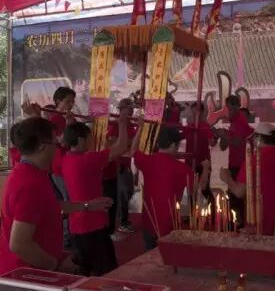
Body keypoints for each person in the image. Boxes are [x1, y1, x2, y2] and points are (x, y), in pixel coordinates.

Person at [0, 117, 113, 277]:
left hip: (30, 270)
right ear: (42, 147)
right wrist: (55, 265)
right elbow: (19, 244)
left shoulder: (32, 173)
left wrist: (87, 206)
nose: (58, 149)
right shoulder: (30, 184)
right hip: (24, 275)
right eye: (55, 143)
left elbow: (50, 206)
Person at [61, 110, 135, 276]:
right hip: (92, 224)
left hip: (77, 225)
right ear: (81, 140)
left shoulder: (66, 159)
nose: (91, 141)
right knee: (106, 272)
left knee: (84, 270)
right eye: (89, 138)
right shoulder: (88, 160)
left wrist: (69, 125)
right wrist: (122, 123)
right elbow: (121, 147)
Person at [133, 127, 209, 250]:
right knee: (167, 257)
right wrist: (206, 168)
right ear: (174, 145)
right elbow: (200, 187)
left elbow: (133, 150)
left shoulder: (148, 161)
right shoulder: (181, 168)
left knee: (149, 255)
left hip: (149, 220)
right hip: (169, 224)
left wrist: (140, 129)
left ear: (158, 143)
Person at [220, 123, 275, 235]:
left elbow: (239, 192)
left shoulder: (252, 161)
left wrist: (227, 178)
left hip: (257, 227)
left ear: (259, 138)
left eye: (254, 138)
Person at [215, 95, 254, 227]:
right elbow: (223, 146)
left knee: (237, 196)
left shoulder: (240, 121)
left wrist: (224, 135)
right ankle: (236, 223)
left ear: (237, 107)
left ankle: (239, 224)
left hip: (242, 164)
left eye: (231, 108)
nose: (229, 111)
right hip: (234, 163)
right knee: (233, 196)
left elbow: (237, 142)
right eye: (228, 108)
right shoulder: (233, 123)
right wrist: (222, 135)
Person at [103, 98, 138, 239]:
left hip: (126, 164)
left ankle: (121, 220)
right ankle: (121, 222)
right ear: (121, 109)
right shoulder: (116, 124)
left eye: (132, 107)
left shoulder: (130, 124)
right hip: (118, 165)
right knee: (121, 194)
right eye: (129, 107)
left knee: (128, 192)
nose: (132, 110)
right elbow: (112, 142)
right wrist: (129, 142)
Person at [182, 102, 216, 213]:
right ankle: (191, 215)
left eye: (195, 111)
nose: (193, 113)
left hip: (203, 164)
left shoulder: (205, 126)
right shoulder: (189, 126)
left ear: (201, 112)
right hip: (190, 162)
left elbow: (212, 142)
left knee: (205, 189)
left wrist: (214, 137)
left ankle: (213, 214)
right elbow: (179, 136)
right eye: (192, 111)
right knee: (190, 190)